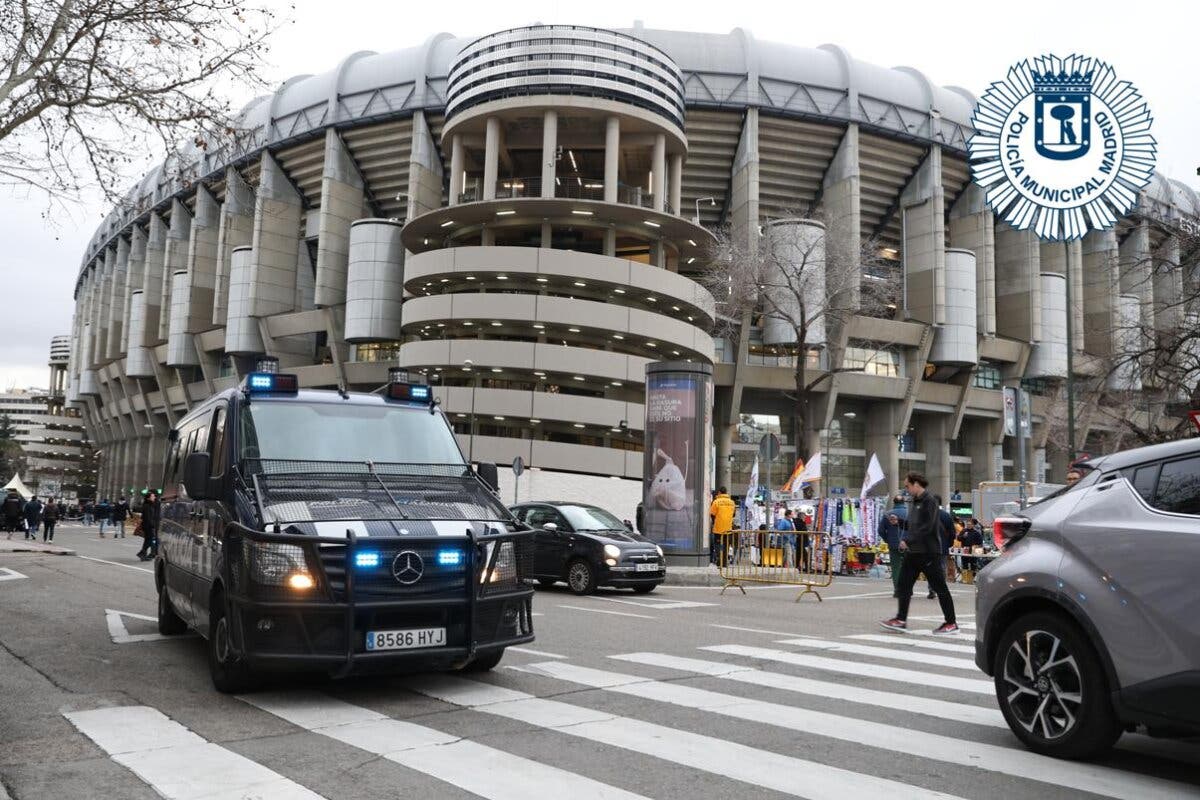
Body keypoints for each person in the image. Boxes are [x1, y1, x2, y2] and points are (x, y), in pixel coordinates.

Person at [880, 472, 958, 635]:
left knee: (940, 587)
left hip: (929, 552)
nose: (906, 489)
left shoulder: (929, 502)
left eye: (907, 486)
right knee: (903, 585)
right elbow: (915, 525)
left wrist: (907, 540)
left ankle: (951, 623)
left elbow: (927, 527)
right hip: (915, 552)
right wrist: (900, 522)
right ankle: (901, 619)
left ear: (916, 484)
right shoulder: (915, 502)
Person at [877, 510, 905, 598]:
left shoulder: (887, 515)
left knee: (896, 568)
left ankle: (897, 589)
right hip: (906, 544)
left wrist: (887, 540)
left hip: (893, 544)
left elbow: (881, 530)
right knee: (908, 568)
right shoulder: (909, 513)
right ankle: (907, 589)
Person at [709, 486, 736, 564]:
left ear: (719, 492)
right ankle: (724, 562)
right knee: (726, 545)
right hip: (728, 528)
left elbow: (712, 514)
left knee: (717, 544)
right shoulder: (732, 502)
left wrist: (715, 522)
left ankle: (719, 560)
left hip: (718, 528)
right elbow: (733, 514)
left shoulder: (716, 502)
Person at [136, 490, 161, 561]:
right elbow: (148, 517)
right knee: (151, 540)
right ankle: (144, 553)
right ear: (148, 498)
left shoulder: (149, 505)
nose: (154, 497)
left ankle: (143, 554)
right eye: (153, 496)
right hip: (148, 526)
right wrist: (153, 525)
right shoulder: (147, 506)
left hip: (149, 526)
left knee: (148, 540)